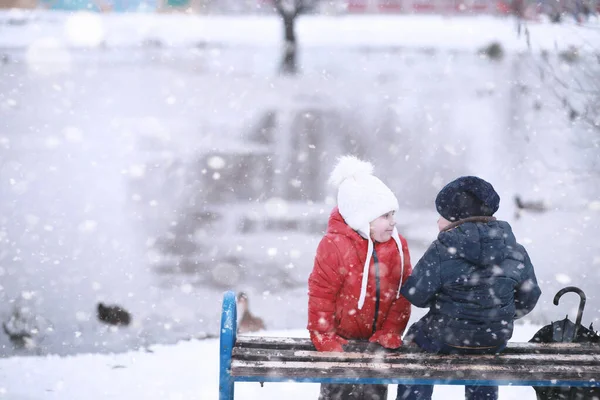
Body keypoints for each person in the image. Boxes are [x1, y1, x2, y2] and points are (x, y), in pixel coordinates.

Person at [396, 176, 542, 400]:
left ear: (454, 218)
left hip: (446, 338)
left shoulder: (442, 248)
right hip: (495, 339)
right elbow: (529, 297)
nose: (438, 222)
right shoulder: (514, 248)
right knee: (483, 359)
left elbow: (417, 295)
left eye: (442, 216)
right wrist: (496, 314)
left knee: (415, 338)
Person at [308, 155, 412, 400]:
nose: (393, 222)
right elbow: (320, 295)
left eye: (393, 214)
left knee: (373, 393)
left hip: (376, 344)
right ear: (362, 217)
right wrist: (324, 337)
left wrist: (391, 330)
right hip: (340, 342)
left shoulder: (397, 245)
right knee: (337, 393)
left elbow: (402, 294)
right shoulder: (334, 245)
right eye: (385, 216)